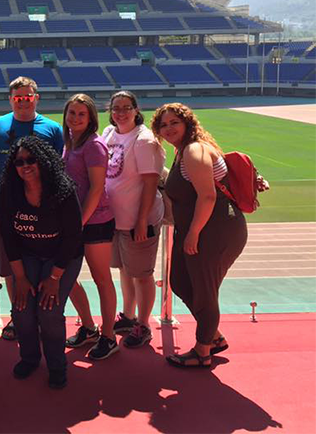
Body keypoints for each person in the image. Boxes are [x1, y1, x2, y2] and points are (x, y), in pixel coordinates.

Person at [151, 103, 248, 368]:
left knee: (204, 290)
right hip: (201, 229)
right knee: (180, 281)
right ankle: (213, 335)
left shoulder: (194, 150)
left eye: (174, 123)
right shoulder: (182, 151)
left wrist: (193, 233)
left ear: (187, 124)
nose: (169, 128)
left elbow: (207, 196)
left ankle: (203, 350)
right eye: (164, 124)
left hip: (213, 229)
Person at [0, 136, 83, 389]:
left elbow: (73, 236)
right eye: (19, 161)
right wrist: (20, 278)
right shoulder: (9, 191)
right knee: (22, 309)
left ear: (43, 161)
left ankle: (57, 366)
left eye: (31, 159)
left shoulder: (62, 189)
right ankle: (30, 358)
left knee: (49, 310)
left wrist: (54, 278)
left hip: (62, 256)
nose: (25, 165)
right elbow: (8, 236)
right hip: (28, 255)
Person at [0, 76, 64, 340]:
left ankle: (39, 315)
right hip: (5, 208)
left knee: (39, 264)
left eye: (28, 97)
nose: (23, 102)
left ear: (36, 98)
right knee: (9, 265)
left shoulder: (52, 129)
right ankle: (18, 315)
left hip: (42, 210)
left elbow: (59, 171)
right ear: (10, 99)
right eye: (18, 98)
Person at [101, 91, 166, 349]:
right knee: (124, 270)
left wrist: (141, 221)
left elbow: (151, 184)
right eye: (116, 108)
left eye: (126, 108)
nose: (121, 112)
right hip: (115, 218)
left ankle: (144, 324)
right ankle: (128, 316)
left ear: (136, 110)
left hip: (138, 220)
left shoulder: (144, 140)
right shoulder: (109, 133)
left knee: (141, 274)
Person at [61, 94, 119, 360]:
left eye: (81, 114)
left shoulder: (94, 145)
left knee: (101, 278)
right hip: (74, 220)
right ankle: (88, 326)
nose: (75, 118)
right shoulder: (70, 141)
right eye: (72, 113)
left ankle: (109, 335)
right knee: (66, 276)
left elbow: (96, 189)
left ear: (91, 117)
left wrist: (78, 222)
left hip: (95, 222)